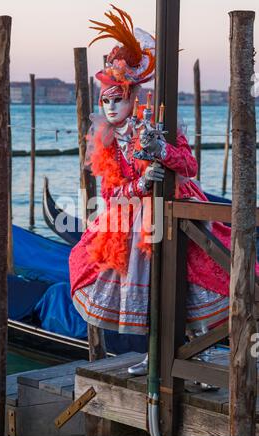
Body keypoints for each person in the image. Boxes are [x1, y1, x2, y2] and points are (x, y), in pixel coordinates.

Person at [69, 5, 258, 376]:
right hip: (132, 224)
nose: (110, 107)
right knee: (125, 279)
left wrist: (161, 151)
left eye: (117, 99)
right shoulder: (106, 139)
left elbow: (189, 166)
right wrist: (139, 184)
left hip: (175, 214)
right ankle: (154, 356)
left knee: (188, 281)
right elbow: (109, 194)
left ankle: (197, 357)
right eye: (105, 100)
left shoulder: (157, 124)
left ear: (133, 97)